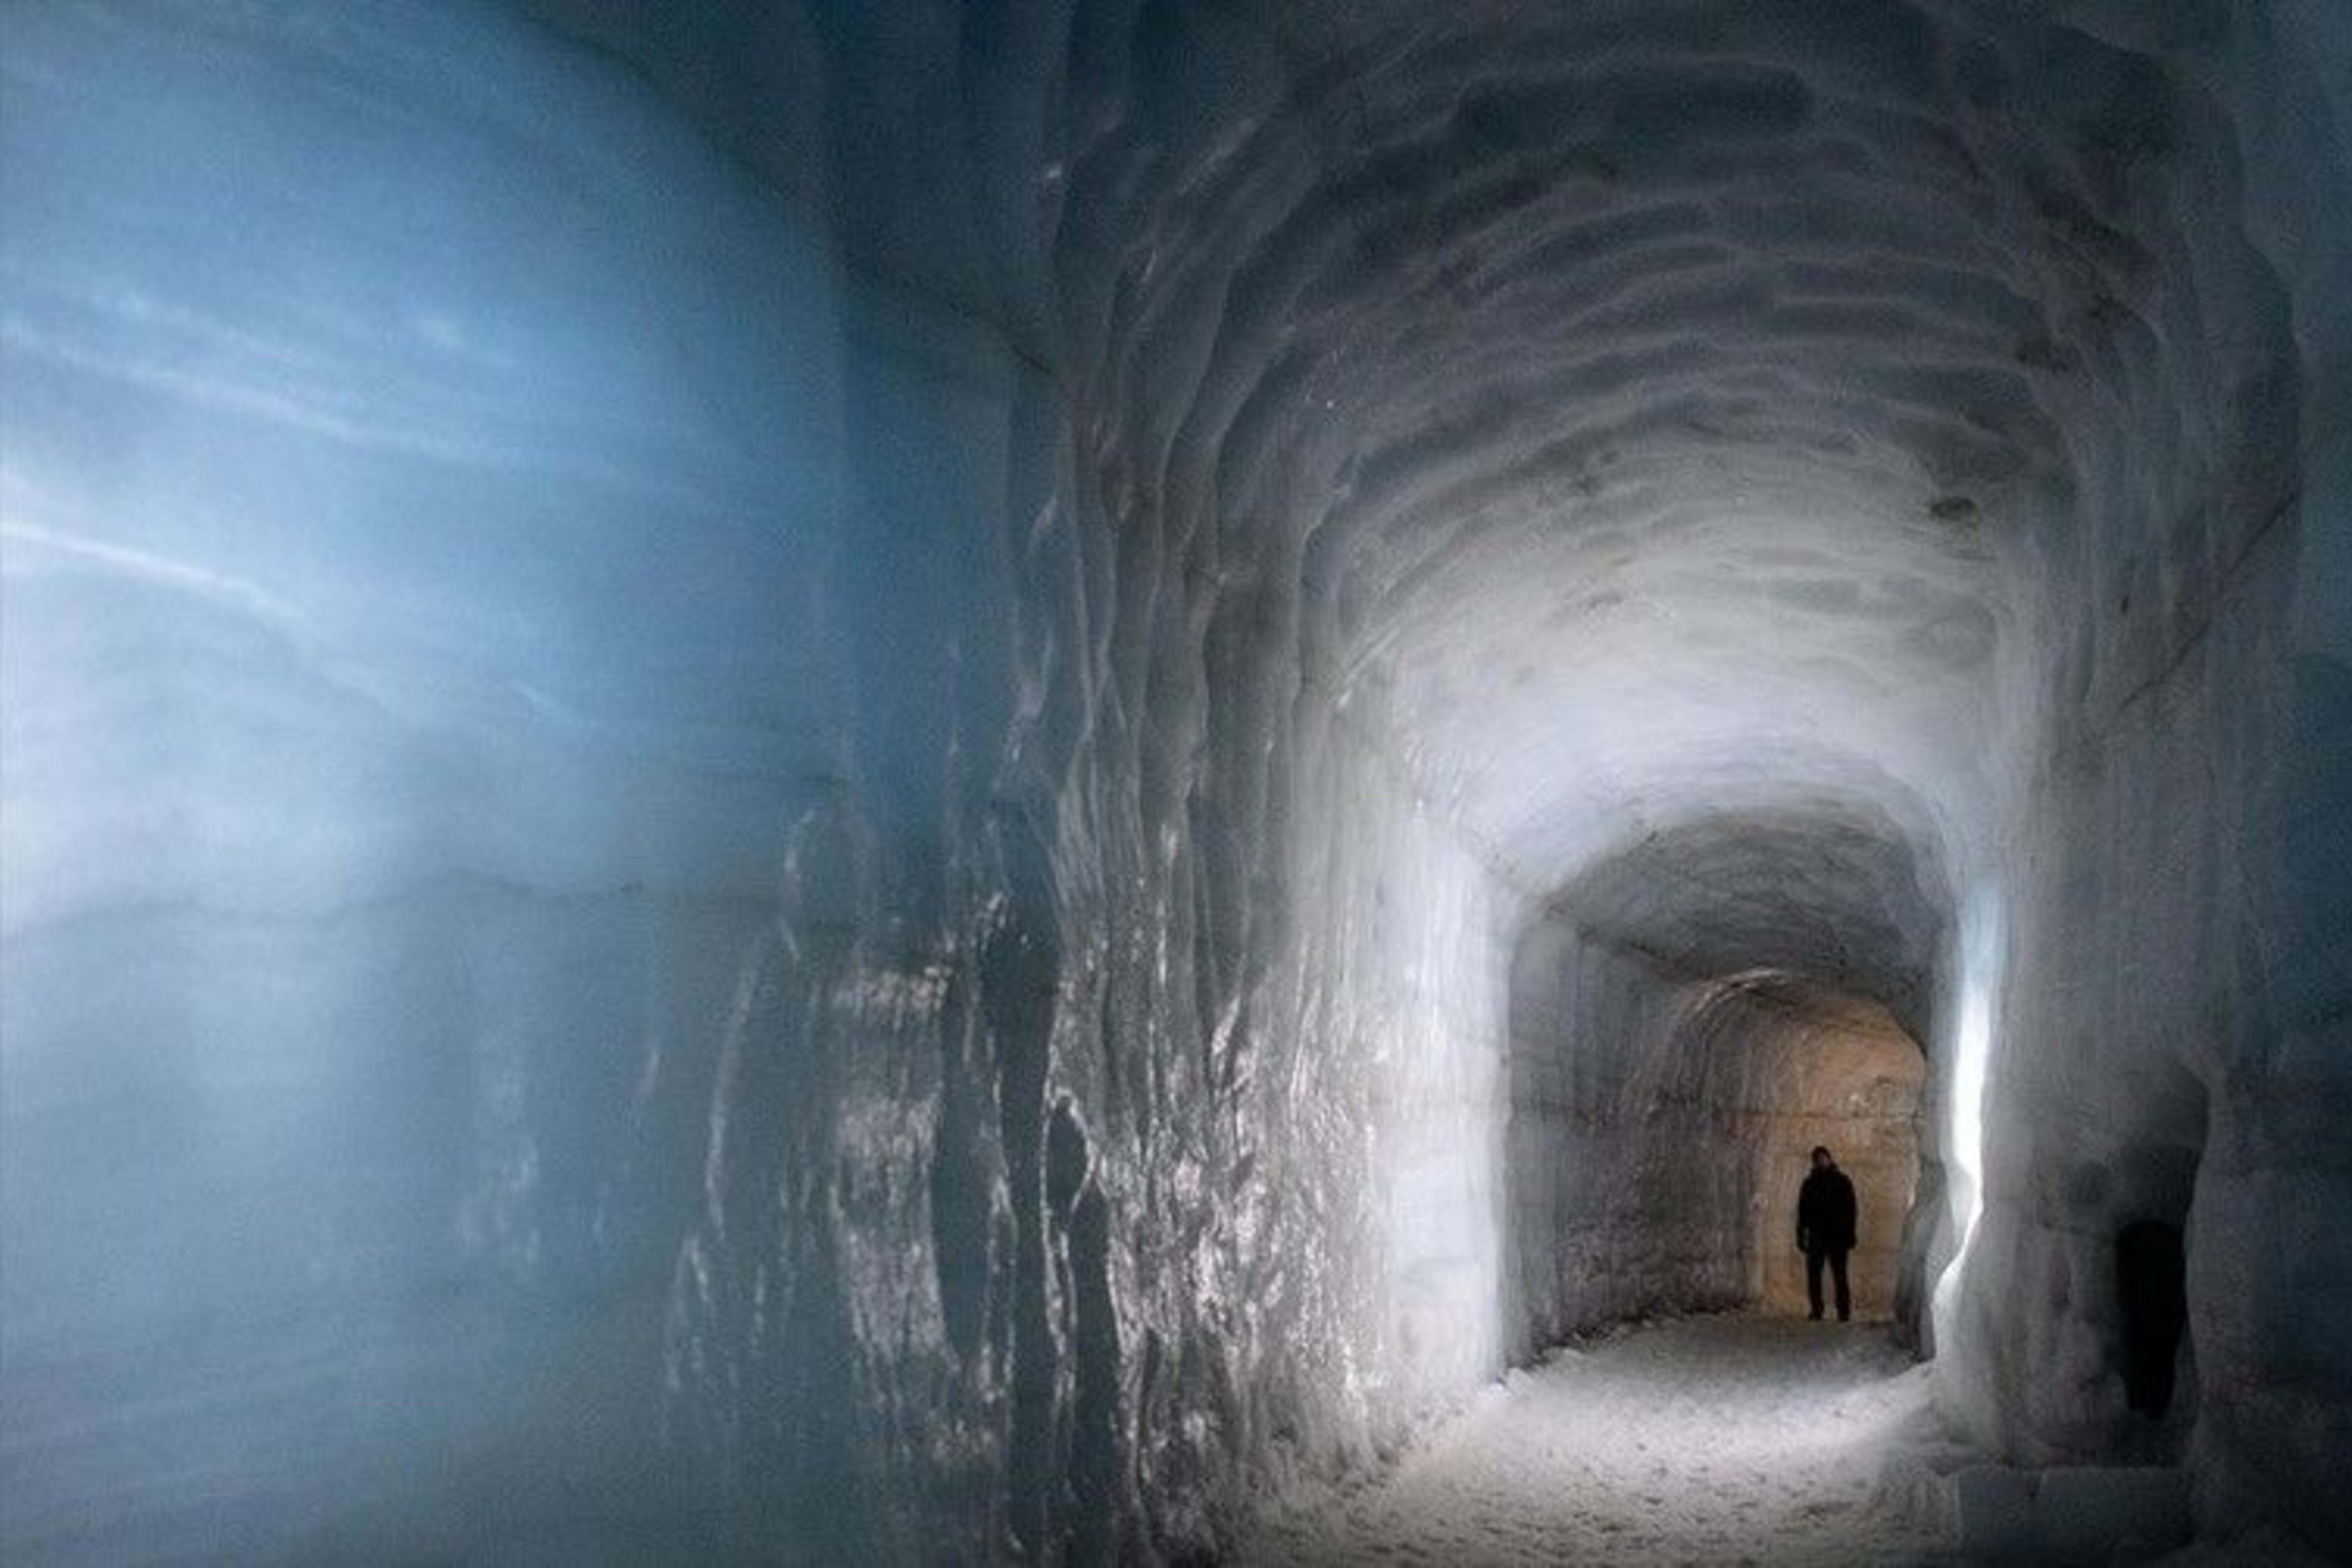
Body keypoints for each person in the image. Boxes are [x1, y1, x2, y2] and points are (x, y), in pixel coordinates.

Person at [1796, 1146, 1857, 1322]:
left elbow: (1851, 1210)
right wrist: (1800, 1235)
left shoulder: (1842, 1181)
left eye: (1824, 1158)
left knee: (1840, 1276)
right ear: (1814, 1162)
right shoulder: (1809, 1184)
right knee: (1814, 1276)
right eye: (1818, 1159)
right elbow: (1802, 1212)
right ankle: (1817, 1310)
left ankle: (1844, 1312)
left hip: (1837, 1237)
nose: (1822, 1162)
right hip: (1817, 1237)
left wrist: (1851, 1233)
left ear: (1830, 1159)